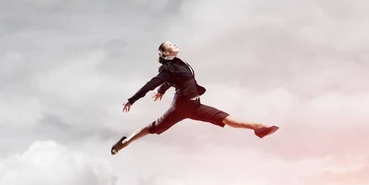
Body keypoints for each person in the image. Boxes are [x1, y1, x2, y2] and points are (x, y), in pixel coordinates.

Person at [111, 41, 279, 155]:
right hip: (181, 107)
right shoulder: (167, 68)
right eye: (171, 44)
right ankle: (125, 143)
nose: (174, 44)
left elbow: (175, 79)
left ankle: (259, 128)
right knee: (153, 127)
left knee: (225, 118)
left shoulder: (176, 63)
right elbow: (151, 84)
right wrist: (132, 99)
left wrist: (163, 89)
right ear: (165, 52)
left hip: (196, 106)